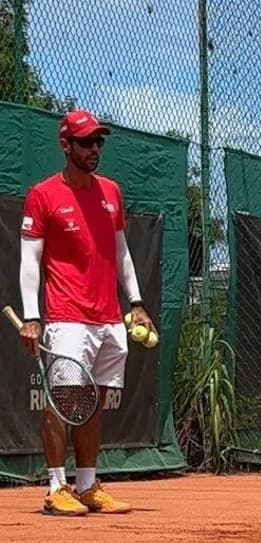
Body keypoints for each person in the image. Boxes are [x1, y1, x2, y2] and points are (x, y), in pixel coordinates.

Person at [18, 110, 156, 516]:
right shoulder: (43, 195)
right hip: (66, 316)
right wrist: (32, 316)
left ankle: (87, 484)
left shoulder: (111, 192)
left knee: (92, 401)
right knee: (64, 399)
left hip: (110, 317)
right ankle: (56, 486)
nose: (94, 149)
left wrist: (136, 303)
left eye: (99, 142)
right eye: (86, 142)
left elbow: (121, 251)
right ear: (66, 145)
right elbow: (30, 261)